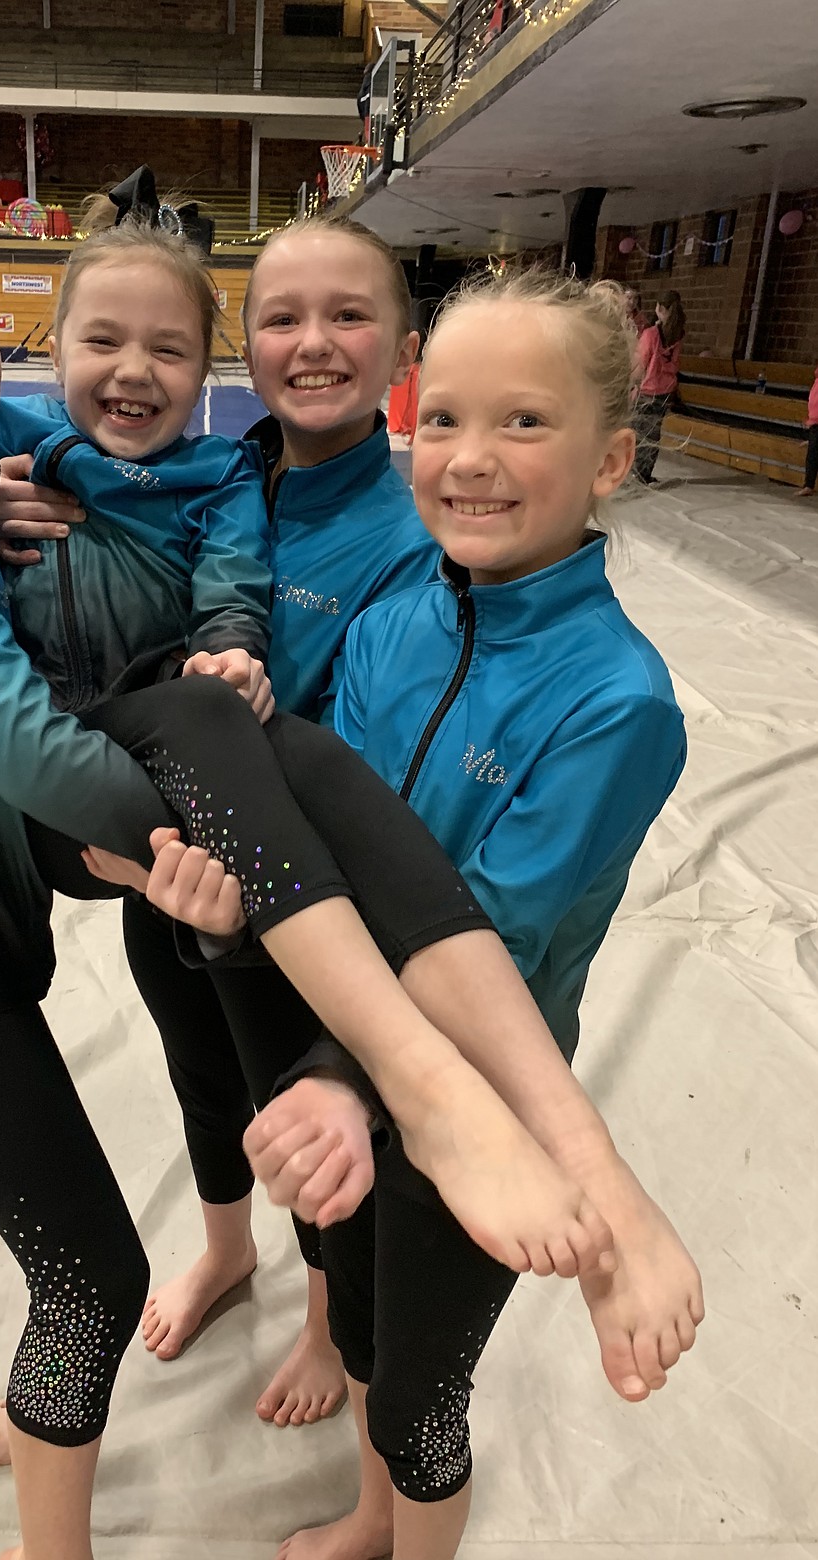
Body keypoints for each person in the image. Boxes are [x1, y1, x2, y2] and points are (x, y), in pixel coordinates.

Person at [0, 193, 616, 1560]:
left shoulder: (282, 502)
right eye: (282, 313)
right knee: (92, 1275)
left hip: (34, 923)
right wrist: (200, 825)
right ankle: (32, 1504)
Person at [240, 269, 705, 1560]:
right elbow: (324, 830)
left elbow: (481, 938)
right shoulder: (396, 619)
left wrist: (350, 1069)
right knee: (359, 1311)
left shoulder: (617, 703)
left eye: (522, 423)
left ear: (610, 457)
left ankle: (412, 1527)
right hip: (341, 1033)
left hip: (483, 1093)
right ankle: (372, 1517)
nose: (469, 460)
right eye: (439, 420)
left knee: (423, 1383)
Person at [0, 212, 443, 1426]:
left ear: (402, 345)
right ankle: (228, 1250)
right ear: (241, 345)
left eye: (349, 315)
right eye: (283, 317)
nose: (313, 343)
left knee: (294, 1097)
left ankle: (319, 1316)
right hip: (168, 854)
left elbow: (370, 756)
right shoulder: (200, 471)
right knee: (201, 1077)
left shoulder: (405, 538)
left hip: (292, 884)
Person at [632, 288, 685, 485]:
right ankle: (645, 473)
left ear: (659, 308)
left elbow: (640, 363)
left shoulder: (651, 334)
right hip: (664, 390)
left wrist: (632, 385)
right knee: (653, 433)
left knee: (638, 432)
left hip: (646, 390)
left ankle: (634, 473)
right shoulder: (677, 335)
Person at [793, 361, 818, 498]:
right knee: (812, 455)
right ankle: (808, 485)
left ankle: (809, 485)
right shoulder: (817, 380)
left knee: (813, 453)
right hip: (815, 422)